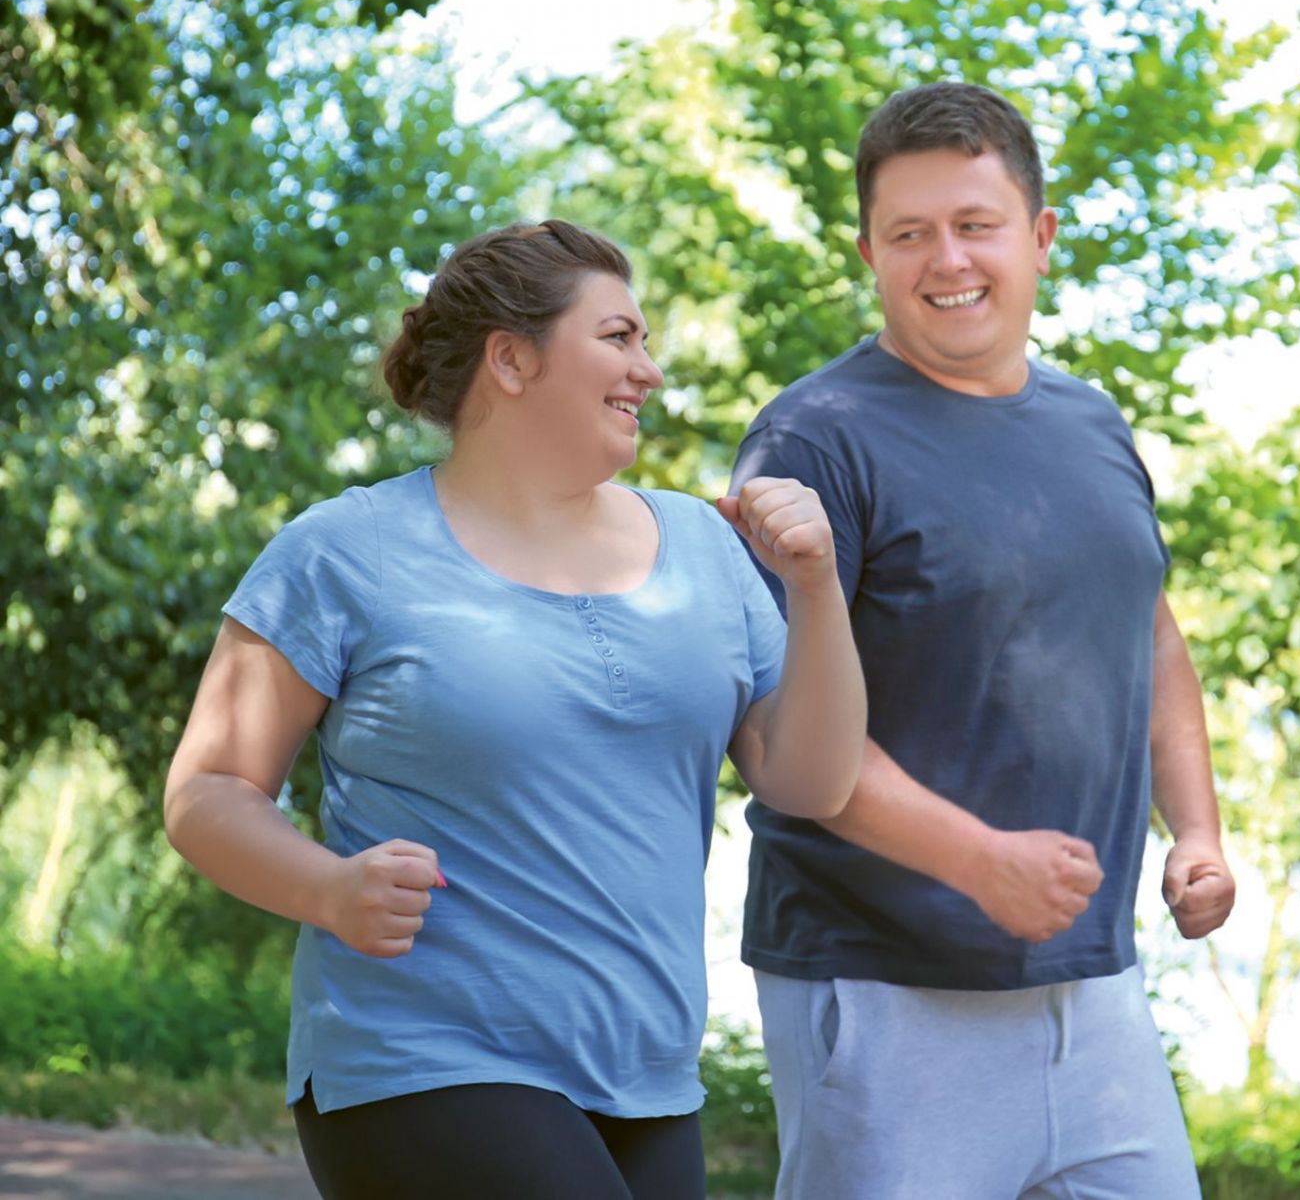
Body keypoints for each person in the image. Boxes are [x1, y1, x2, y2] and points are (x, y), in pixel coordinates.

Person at [163, 219, 866, 1200]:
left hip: (648, 1072)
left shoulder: (706, 550)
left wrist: (818, 584)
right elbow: (208, 790)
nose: (650, 371)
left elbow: (814, 777)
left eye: (646, 340)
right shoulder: (347, 551)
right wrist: (326, 888)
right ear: (512, 358)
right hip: (420, 1057)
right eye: (619, 337)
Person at [730, 81, 1236, 1199]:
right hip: (883, 992)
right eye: (909, 233)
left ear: (1040, 237)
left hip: (1095, 992)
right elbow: (777, 732)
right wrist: (975, 858)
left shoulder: (1093, 425)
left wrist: (1194, 830)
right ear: (869, 250)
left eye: (975, 224)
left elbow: (1148, 639)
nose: (944, 258)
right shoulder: (812, 439)